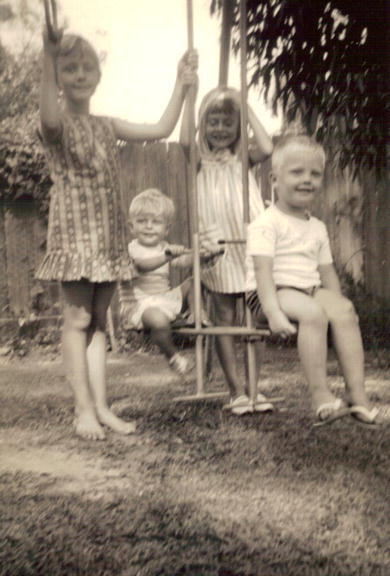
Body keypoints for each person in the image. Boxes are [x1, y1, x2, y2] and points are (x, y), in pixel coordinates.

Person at [36, 28, 198, 440]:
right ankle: (82, 410)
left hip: (105, 236)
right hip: (74, 237)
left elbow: (162, 128)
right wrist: (46, 55)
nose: (79, 74)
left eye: (87, 67)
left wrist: (180, 83)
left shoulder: (108, 126)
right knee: (77, 319)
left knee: (99, 326)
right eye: (68, 68)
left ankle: (102, 407)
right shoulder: (56, 126)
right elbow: (48, 116)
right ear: (56, 77)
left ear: (98, 76)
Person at [246, 133, 381, 426]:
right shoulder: (266, 223)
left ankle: (357, 395)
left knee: (344, 310)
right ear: (274, 180)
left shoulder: (317, 227)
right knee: (313, 312)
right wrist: (272, 312)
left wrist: (338, 305)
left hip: (308, 289)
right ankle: (319, 394)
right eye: (296, 172)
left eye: (315, 174)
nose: (307, 179)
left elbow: (327, 272)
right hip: (269, 292)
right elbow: (262, 272)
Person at [180, 86, 274, 415]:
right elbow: (184, 141)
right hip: (217, 243)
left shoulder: (242, 157)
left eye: (227, 122)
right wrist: (191, 100)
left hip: (248, 242)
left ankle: (253, 388)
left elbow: (268, 146)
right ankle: (235, 391)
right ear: (202, 126)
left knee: (254, 317)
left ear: (238, 128)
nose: (220, 128)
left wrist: (244, 106)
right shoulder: (198, 160)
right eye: (212, 121)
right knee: (223, 316)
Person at [120, 188, 217, 375]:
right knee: (158, 319)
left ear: (166, 229)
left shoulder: (165, 247)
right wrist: (167, 256)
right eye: (142, 221)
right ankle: (174, 357)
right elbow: (141, 267)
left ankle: (196, 315)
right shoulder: (129, 250)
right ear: (132, 226)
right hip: (138, 306)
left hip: (163, 299)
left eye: (156, 222)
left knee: (195, 280)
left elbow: (184, 261)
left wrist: (201, 255)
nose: (149, 226)